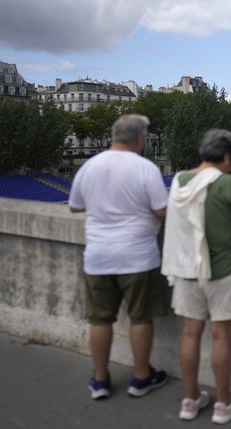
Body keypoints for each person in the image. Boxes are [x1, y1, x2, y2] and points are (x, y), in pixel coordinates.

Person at [162, 129, 231, 424]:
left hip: (187, 270)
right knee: (221, 337)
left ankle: (190, 400)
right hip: (224, 271)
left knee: (190, 334)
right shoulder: (227, 185)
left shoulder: (180, 181)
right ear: (227, 156)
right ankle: (223, 404)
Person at [68, 114, 169, 400]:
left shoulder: (90, 166)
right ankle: (141, 377)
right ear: (140, 138)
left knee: (100, 320)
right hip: (137, 256)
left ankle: (100, 380)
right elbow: (162, 211)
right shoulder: (145, 168)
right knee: (140, 318)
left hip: (98, 256)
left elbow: (74, 207)